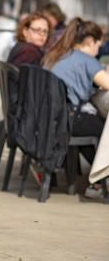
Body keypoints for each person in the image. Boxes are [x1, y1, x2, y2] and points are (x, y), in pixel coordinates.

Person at [43, 18, 109, 198]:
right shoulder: (88, 60)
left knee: (93, 125)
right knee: (103, 131)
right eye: (98, 45)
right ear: (89, 41)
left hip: (50, 118)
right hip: (68, 119)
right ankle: (99, 182)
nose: (99, 50)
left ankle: (96, 181)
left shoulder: (59, 54)